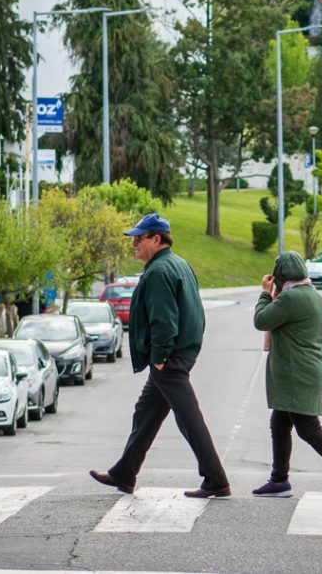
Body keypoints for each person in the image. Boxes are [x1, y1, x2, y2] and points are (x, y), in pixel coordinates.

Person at [90, 213, 231, 499]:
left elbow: (163, 320)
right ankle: (124, 473)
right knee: (146, 413)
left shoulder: (158, 272)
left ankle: (216, 479)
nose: (134, 245)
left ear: (156, 239)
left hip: (169, 358)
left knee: (189, 418)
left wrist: (159, 357)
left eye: (138, 239)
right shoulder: (178, 264)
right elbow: (196, 312)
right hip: (180, 353)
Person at [252, 250, 322, 501]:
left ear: (281, 276)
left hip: (298, 373)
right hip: (307, 369)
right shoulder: (312, 294)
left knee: (308, 428)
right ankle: (279, 480)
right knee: (280, 422)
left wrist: (265, 293)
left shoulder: (291, 299)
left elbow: (261, 320)